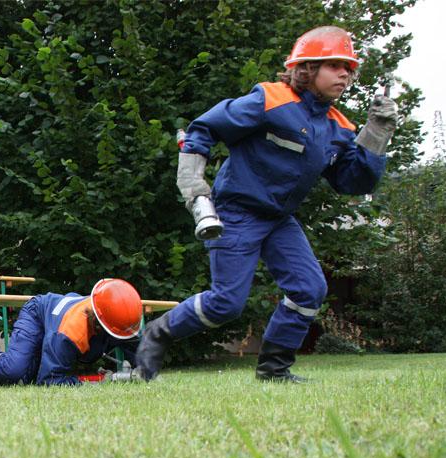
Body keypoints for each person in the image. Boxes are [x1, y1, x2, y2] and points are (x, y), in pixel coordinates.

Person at [136, 26, 397, 383]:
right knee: (227, 303)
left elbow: (354, 181)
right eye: (335, 66)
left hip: (279, 220)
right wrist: (194, 185)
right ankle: (157, 333)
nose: (345, 75)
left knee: (310, 289)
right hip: (236, 213)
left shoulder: (338, 127)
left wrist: (377, 132)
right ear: (306, 68)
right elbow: (203, 128)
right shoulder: (270, 99)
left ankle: (274, 370)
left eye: (349, 69)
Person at [0, 278, 142, 386]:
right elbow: (49, 381)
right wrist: (100, 381)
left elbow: (144, 363)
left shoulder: (122, 318)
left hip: (55, 319)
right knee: (14, 371)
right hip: (36, 315)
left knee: (23, 381)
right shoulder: (69, 332)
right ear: (98, 324)